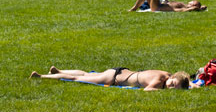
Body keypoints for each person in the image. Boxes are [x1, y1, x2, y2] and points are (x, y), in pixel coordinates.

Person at [30, 65, 190, 91]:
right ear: (172, 77)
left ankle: (57, 70)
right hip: (113, 78)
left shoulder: (167, 74)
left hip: (118, 72)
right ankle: (41, 76)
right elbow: (148, 90)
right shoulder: (160, 80)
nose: (169, 86)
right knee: (76, 79)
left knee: (87, 74)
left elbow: (184, 81)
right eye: (172, 84)